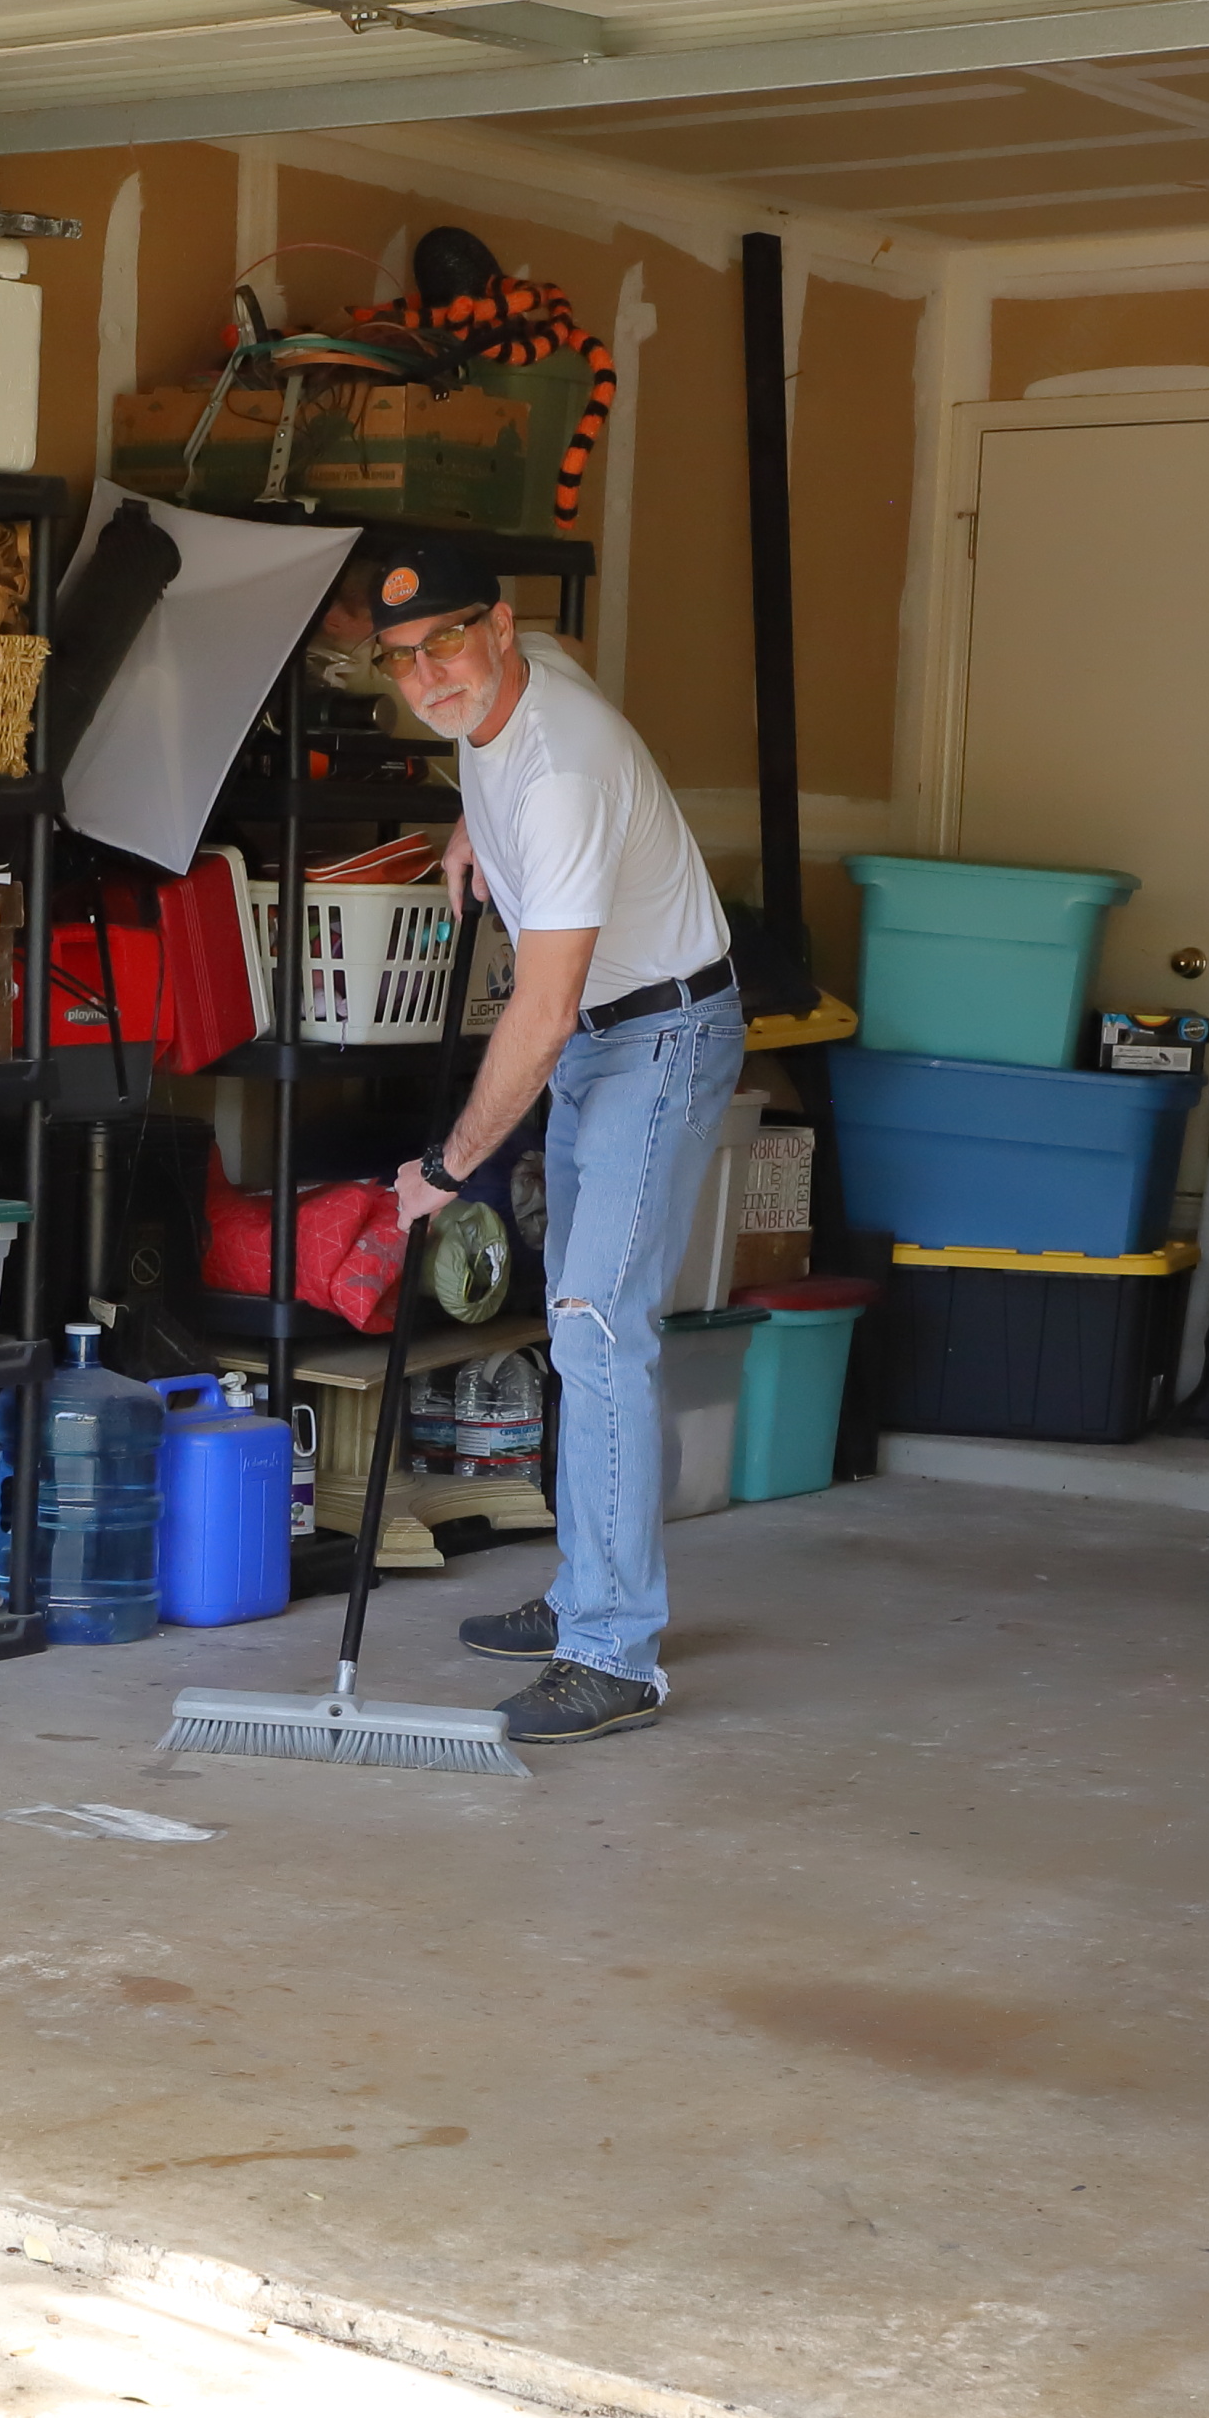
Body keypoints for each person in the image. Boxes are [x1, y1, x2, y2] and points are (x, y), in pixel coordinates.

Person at [380, 545, 743, 1744]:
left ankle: (611, 1651)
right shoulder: (523, 673)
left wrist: (445, 1169)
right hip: (603, 1032)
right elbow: (551, 671)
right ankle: (590, 1584)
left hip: (658, 1037)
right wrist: (468, 822)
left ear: (496, 624)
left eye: (446, 642)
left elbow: (533, 1018)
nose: (427, 675)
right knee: (580, 1318)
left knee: (595, 1326)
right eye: (401, 656)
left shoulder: (562, 779)